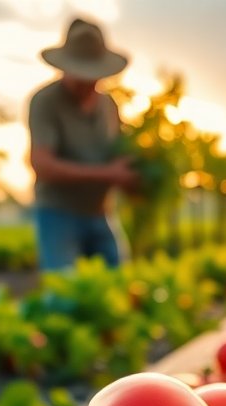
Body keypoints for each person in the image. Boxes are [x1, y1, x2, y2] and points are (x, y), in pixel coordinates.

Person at [27, 18, 138, 271]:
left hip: (101, 212)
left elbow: (117, 156)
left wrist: (132, 178)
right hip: (58, 213)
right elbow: (42, 165)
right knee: (64, 296)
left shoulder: (109, 106)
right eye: (82, 76)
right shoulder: (45, 102)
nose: (89, 83)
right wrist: (108, 174)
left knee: (119, 289)